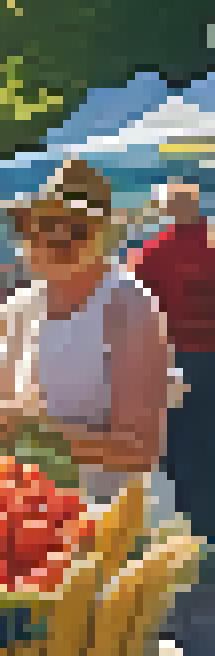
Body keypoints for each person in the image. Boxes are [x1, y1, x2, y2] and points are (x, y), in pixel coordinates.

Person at [0, 161, 174, 506]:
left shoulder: (129, 307)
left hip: (104, 510)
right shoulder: (16, 310)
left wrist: (36, 431)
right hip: (24, 513)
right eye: (42, 228)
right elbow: (2, 425)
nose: (54, 240)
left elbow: (138, 449)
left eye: (75, 229)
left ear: (101, 238)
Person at [130, 182, 215, 526]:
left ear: (166, 210)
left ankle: (194, 525)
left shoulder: (150, 253)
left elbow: (136, 313)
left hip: (175, 359)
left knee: (182, 445)